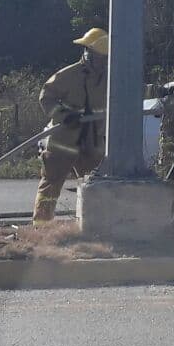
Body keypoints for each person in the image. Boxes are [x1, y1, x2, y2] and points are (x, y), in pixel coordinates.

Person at [32, 28, 108, 224]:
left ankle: (93, 226)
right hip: (63, 140)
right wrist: (64, 115)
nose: (101, 62)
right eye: (98, 57)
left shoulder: (109, 79)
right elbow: (46, 97)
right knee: (51, 184)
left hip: (92, 142)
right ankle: (41, 228)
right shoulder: (69, 75)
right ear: (88, 54)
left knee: (95, 185)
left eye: (104, 59)